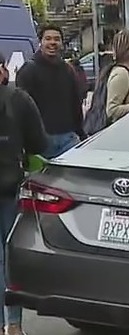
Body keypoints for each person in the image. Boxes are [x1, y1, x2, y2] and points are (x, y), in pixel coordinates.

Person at [0, 51, 48, 335]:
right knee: (8, 256)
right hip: (8, 187)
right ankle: (13, 325)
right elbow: (39, 143)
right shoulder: (17, 99)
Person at [15, 25, 86, 159]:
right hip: (40, 142)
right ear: (40, 42)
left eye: (57, 39)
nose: (52, 43)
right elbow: (21, 109)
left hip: (68, 139)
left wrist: (80, 133)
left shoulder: (69, 71)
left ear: (61, 44)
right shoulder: (28, 71)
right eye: (48, 39)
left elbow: (76, 103)